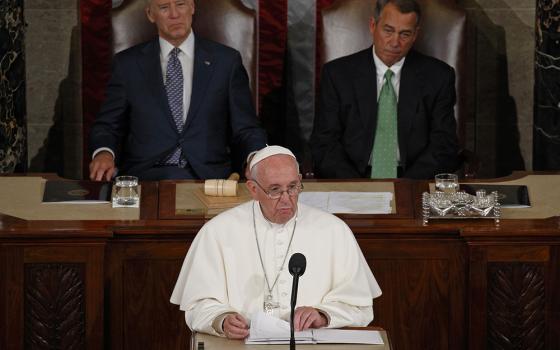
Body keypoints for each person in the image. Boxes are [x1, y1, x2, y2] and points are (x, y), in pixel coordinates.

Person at [170, 145, 381, 338]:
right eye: (275, 190)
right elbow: (197, 304)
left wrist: (323, 315)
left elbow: (360, 307)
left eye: (293, 187)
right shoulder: (217, 231)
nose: (287, 199)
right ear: (253, 189)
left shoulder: (334, 230)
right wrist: (222, 320)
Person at [89, 0, 267, 181]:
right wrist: (104, 153)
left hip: (209, 178)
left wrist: (257, 159)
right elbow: (108, 125)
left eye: (181, 4)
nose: (174, 14)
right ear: (150, 14)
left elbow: (247, 128)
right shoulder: (127, 65)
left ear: (192, 7)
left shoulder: (226, 62)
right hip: (145, 177)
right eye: (164, 7)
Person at [310, 0, 459, 179]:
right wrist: (358, 188)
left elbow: (444, 145)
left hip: (413, 178)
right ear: (373, 26)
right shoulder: (337, 75)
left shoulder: (439, 76)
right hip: (352, 177)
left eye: (405, 34)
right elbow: (325, 144)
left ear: (415, 35)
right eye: (388, 31)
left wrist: (405, 185)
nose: (395, 42)